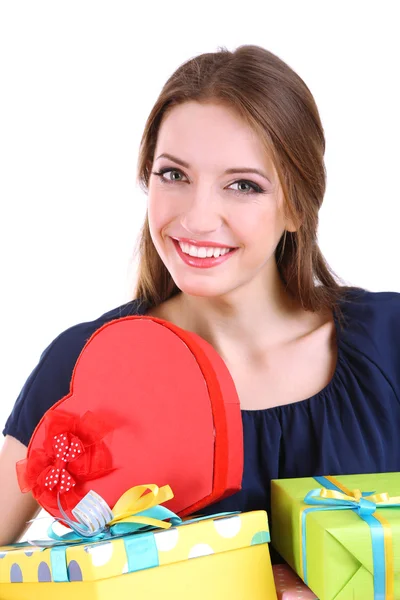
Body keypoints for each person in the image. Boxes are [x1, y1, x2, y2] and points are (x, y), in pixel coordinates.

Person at [1, 44, 400, 550]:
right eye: (174, 175)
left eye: (243, 185)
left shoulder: (391, 340)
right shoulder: (82, 363)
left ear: (297, 207)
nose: (196, 217)